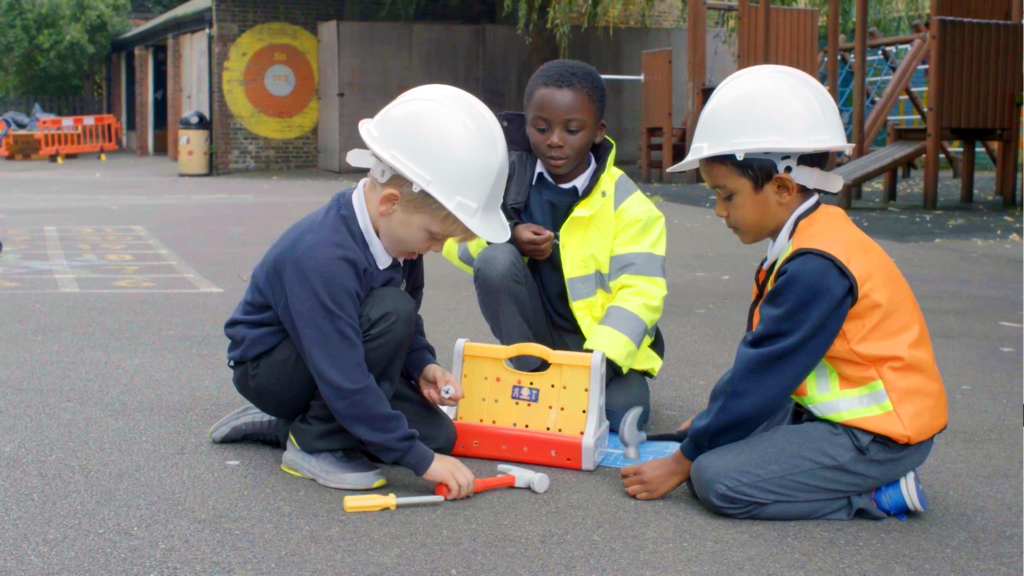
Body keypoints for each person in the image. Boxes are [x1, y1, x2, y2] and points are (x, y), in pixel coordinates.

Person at [620, 65, 948, 520]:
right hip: (842, 420)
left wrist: (682, 461)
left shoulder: (816, 265)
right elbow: (763, 363)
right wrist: (710, 425)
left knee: (714, 480)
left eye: (726, 195)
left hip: (880, 437)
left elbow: (763, 372)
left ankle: (876, 493)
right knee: (717, 439)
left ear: (781, 187)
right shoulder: (810, 238)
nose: (718, 210)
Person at [208, 85, 511, 499]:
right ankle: (313, 444)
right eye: (435, 236)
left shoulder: (398, 236)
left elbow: (404, 327)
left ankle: (289, 423)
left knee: (437, 436)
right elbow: (345, 370)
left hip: (330, 357)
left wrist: (422, 365)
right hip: (271, 369)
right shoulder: (322, 256)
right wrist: (418, 461)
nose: (437, 248)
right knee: (392, 316)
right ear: (389, 202)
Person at [442, 59, 667, 431]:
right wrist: (508, 235)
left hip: (598, 350)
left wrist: (594, 368)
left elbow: (641, 294)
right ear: (526, 123)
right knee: (496, 260)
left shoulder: (629, 205)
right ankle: (531, 376)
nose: (555, 140)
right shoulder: (503, 176)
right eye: (541, 127)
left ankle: (556, 392)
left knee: (625, 418)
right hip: (537, 340)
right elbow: (452, 237)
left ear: (598, 131)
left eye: (572, 129)